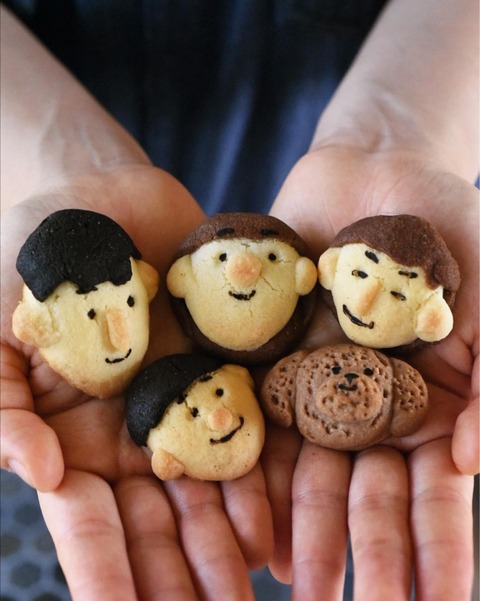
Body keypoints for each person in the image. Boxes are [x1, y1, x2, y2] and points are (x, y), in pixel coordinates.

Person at [1, 2, 478, 601]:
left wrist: (400, 132)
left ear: (314, 273)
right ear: (167, 281)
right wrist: (55, 160)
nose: (222, 419)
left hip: (372, 69)